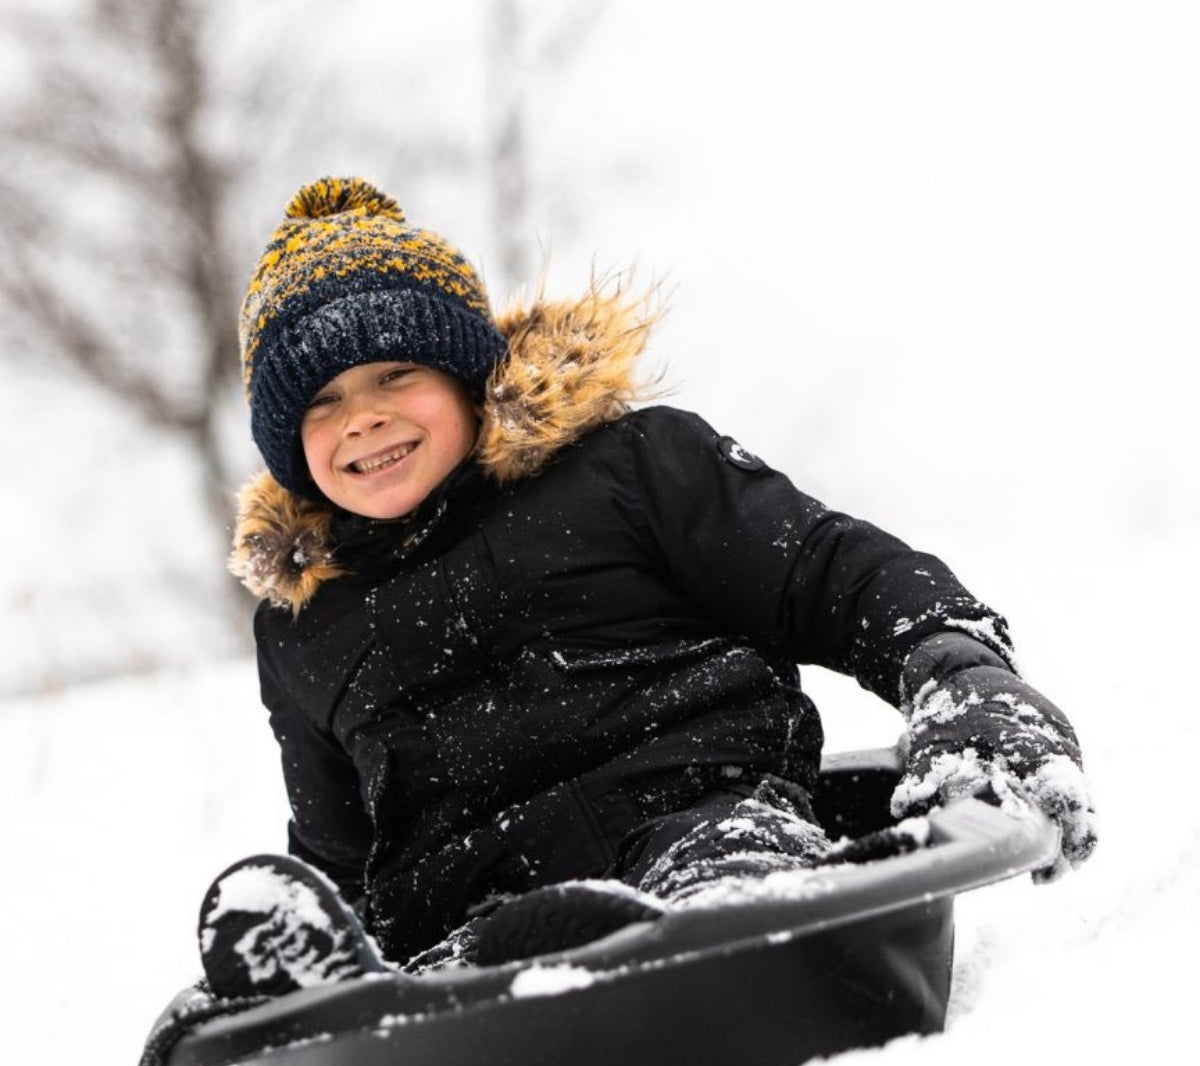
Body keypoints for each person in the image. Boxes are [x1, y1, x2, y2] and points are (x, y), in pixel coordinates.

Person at [198, 176, 1096, 1000]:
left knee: (731, 887)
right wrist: (313, 978)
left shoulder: (628, 469)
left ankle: (671, 965)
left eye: (396, 374)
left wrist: (955, 671)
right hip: (474, 913)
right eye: (321, 402)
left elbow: (828, 573)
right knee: (452, 969)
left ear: (468, 375)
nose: (364, 417)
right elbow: (341, 844)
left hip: (705, 817)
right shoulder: (307, 625)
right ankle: (428, 1011)